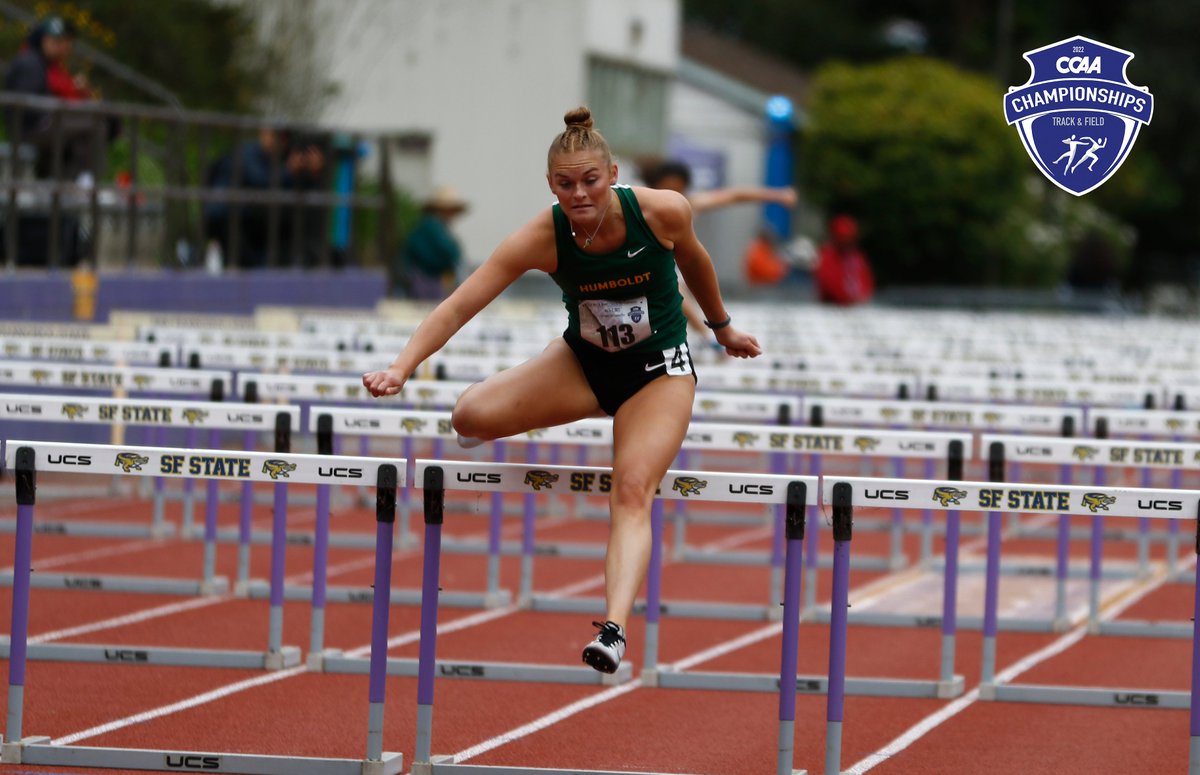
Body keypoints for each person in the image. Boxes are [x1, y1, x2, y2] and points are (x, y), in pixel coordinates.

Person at [363, 107, 761, 673]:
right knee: (468, 417)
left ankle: (615, 629)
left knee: (630, 489)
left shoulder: (663, 212)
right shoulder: (541, 235)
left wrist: (722, 329)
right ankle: (579, 408)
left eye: (590, 181)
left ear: (613, 175)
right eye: (565, 184)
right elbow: (459, 304)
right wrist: (402, 367)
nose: (579, 194)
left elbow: (695, 263)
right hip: (584, 364)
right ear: (550, 184)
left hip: (659, 375)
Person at [4, 16, 112, 181]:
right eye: (55, 41)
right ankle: (86, 184)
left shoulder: (44, 64)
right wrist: (58, 109)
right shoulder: (29, 62)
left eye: (64, 42)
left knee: (85, 134)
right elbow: (27, 107)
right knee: (95, 126)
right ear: (42, 40)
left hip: (41, 125)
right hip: (31, 130)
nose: (62, 47)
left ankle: (70, 185)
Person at [202, 126, 326, 268]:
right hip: (226, 217)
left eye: (285, 138)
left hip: (252, 220)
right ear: (264, 134)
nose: (280, 142)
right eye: (276, 137)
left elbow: (294, 192)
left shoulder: (279, 159)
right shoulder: (247, 153)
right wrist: (289, 170)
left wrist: (314, 174)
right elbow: (261, 182)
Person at [396, 185, 469, 299]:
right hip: (424, 278)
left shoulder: (434, 226)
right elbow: (450, 252)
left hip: (428, 277)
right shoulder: (431, 226)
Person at [814, 214, 874, 305]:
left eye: (849, 238)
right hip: (832, 307)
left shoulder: (857, 257)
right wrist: (847, 298)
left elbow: (866, 281)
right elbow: (828, 282)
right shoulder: (826, 255)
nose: (846, 242)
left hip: (856, 307)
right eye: (842, 238)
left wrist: (861, 297)